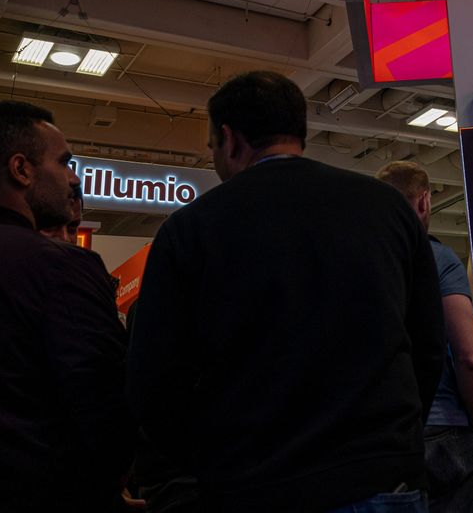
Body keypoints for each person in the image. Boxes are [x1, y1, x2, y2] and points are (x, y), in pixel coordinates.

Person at [127, 71, 444, 513]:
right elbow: (429, 344)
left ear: (229, 139)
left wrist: (202, 466)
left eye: (212, 147)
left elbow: (155, 378)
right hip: (382, 477)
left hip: (251, 482)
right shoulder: (388, 209)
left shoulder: (190, 229)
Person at [0, 101, 134, 512]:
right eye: (64, 162)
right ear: (21, 169)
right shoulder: (61, 267)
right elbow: (104, 407)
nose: (73, 177)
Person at [378, 160, 473, 513]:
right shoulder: (438, 259)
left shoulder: (365, 261)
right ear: (424, 201)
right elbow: (469, 357)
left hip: (385, 433)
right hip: (444, 426)